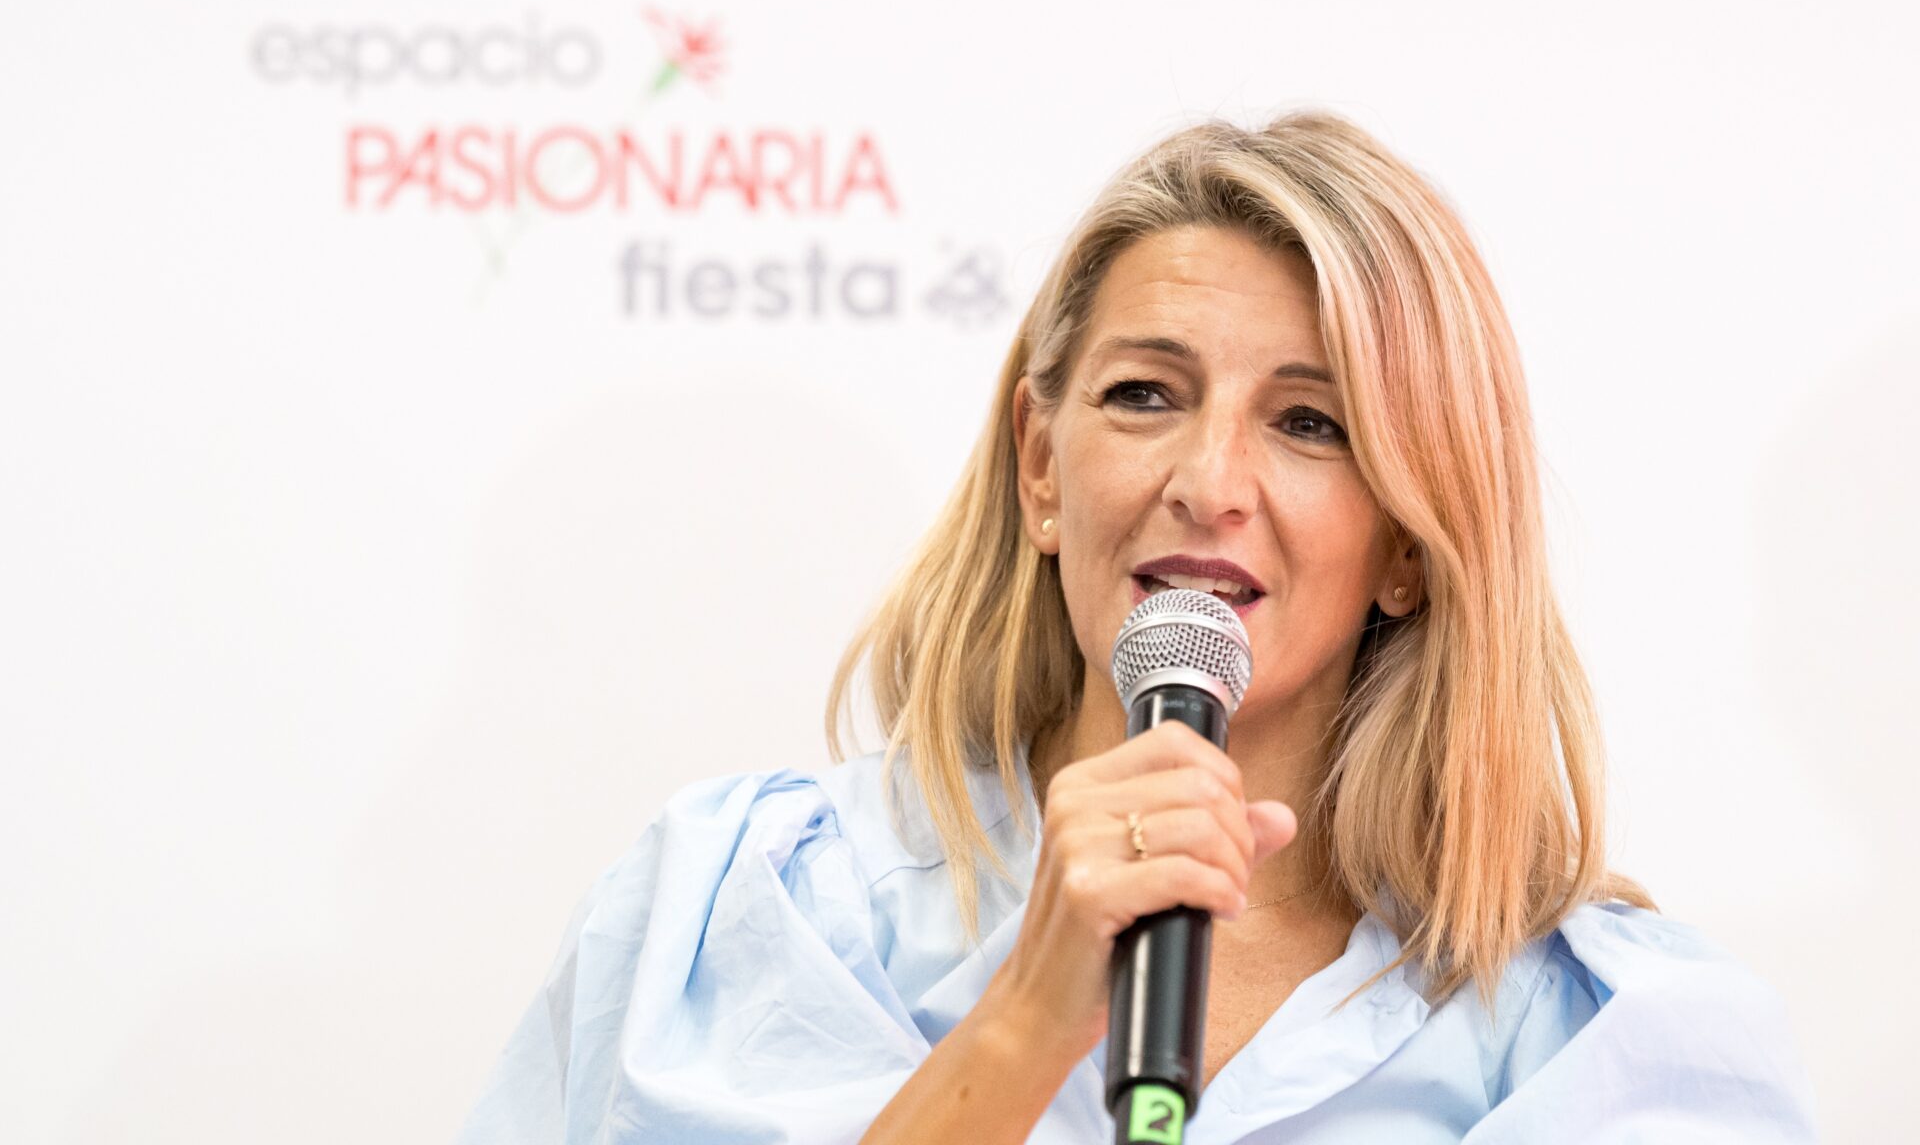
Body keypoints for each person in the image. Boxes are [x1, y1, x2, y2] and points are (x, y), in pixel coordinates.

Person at [455, 111, 1818, 1143]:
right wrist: (1025, 1021)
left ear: (1410, 542)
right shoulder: (764, 909)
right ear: (1041, 467)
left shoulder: (1588, 1032)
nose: (1208, 483)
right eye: (1145, 396)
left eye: (1309, 423)